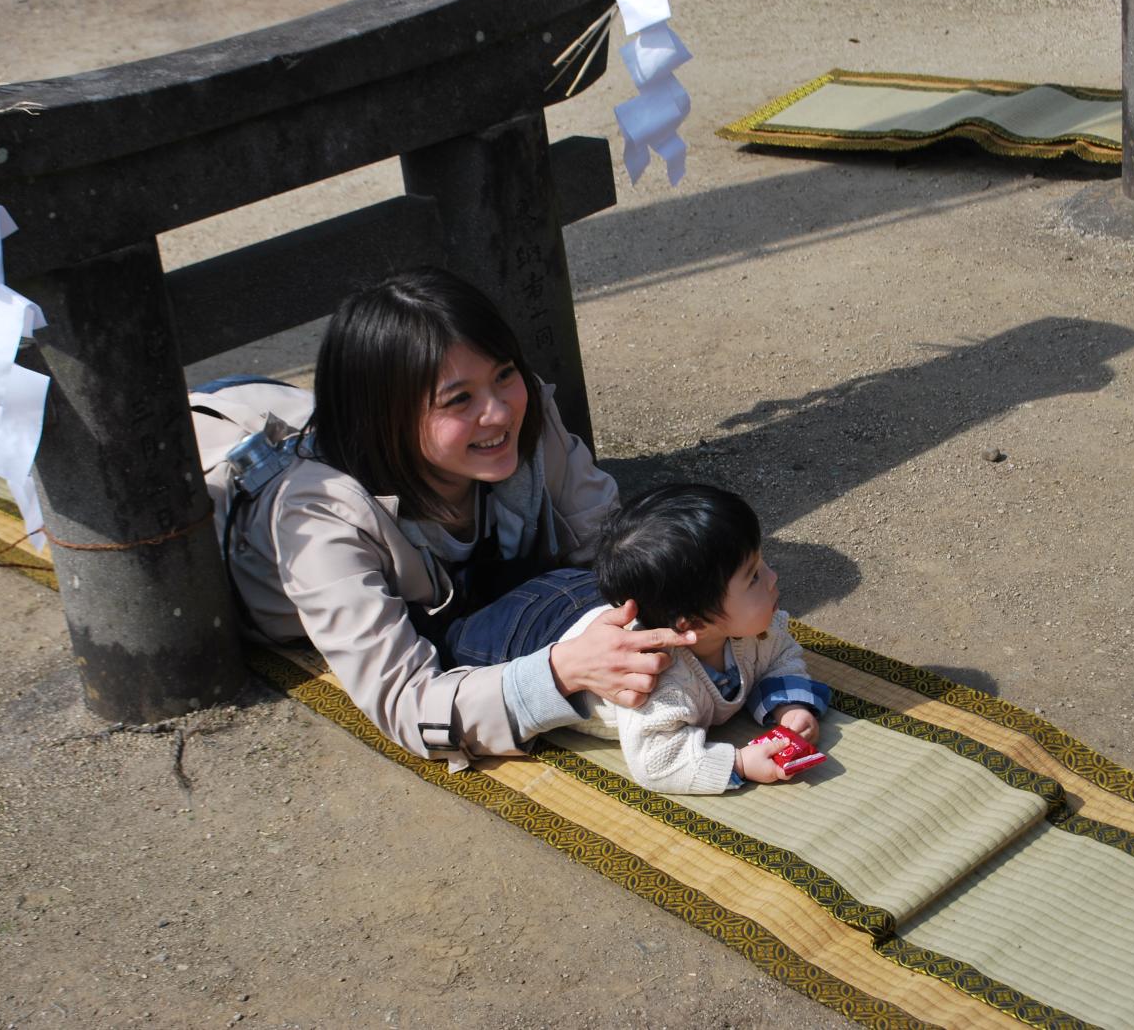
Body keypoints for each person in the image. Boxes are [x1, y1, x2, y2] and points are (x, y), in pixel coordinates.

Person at [189, 268, 694, 771]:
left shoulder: (525, 413)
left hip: (291, 405)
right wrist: (562, 670)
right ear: (384, 419)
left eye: (504, 373)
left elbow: (606, 545)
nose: (498, 412)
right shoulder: (319, 517)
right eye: (459, 399)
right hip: (206, 456)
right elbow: (407, 704)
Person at [446, 484, 835, 795]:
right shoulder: (658, 683)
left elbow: (781, 653)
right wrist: (739, 763)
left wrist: (789, 706)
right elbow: (657, 763)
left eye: (760, 563)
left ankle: (498, 573)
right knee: (454, 632)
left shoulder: (755, 634)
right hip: (526, 630)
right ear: (691, 624)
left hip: (588, 598)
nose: (773, 577)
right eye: (752, 576)